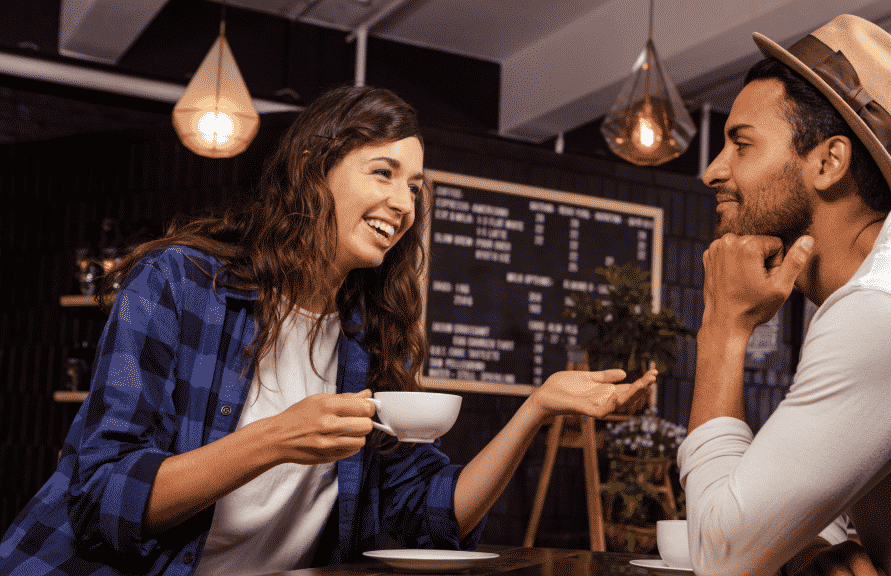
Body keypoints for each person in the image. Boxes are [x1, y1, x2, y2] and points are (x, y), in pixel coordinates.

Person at [0, 85, 656, 576]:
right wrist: (274, 440)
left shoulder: (366, 334)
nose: (404, 203)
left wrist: (536, 409)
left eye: (416, 186)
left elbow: (431, 518)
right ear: (316, 169)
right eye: (383, 173)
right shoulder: (180, 285)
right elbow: (104, 500)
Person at [678, 13, 891, 576]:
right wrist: (812, 546)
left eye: (741, 144)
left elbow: (722, 557)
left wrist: (722, 326)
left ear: (828, 162)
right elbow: (811, 506)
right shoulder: (889, 284)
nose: (713, 171)